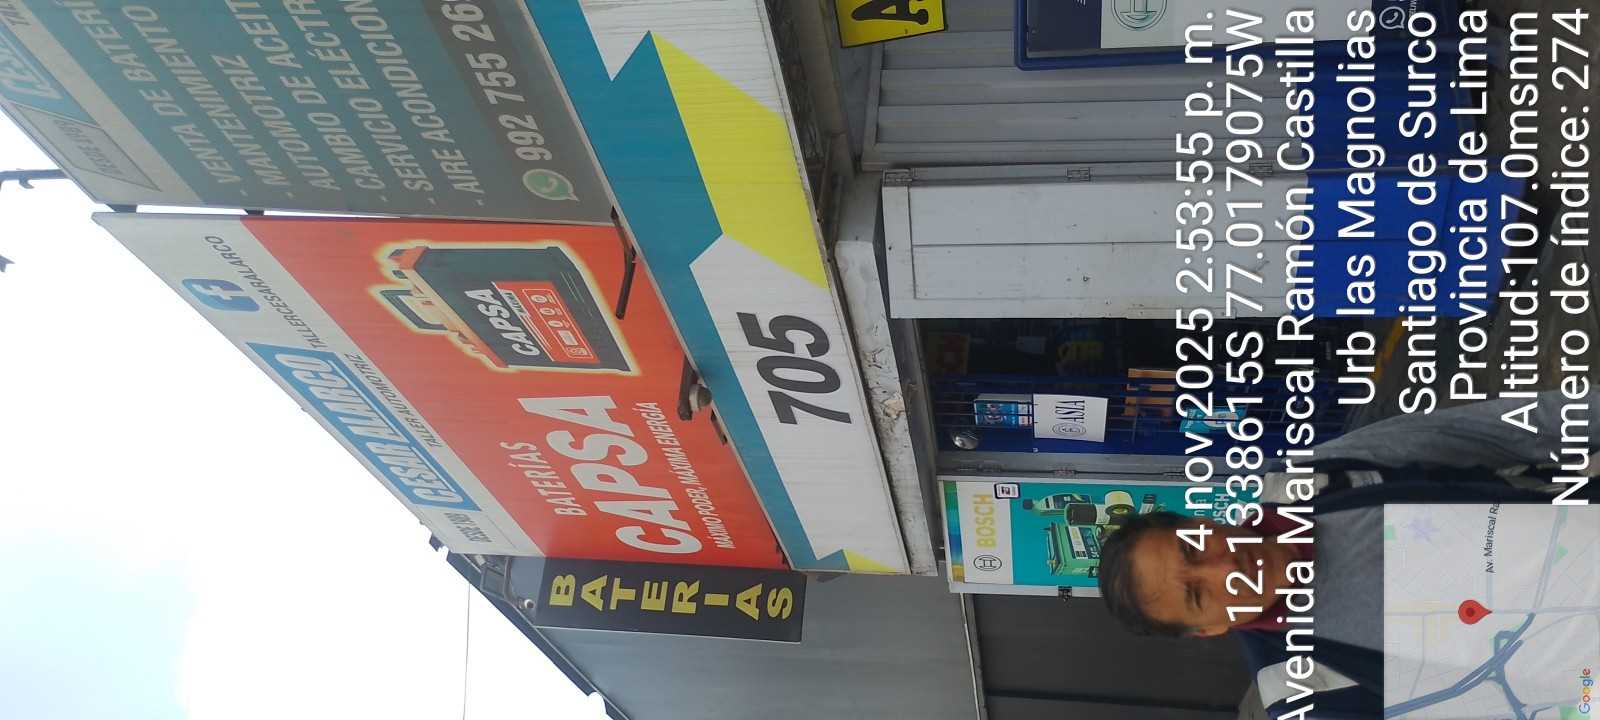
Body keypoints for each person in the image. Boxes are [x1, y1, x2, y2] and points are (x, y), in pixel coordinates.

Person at [1096, 390, 1598, 718]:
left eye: (1194, 547)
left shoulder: (1319, 480)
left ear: (1199, 521)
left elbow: (1495, 431)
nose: (1225, 567)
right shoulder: (1298, 691)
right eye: (1198, 594)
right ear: (1207, 628)